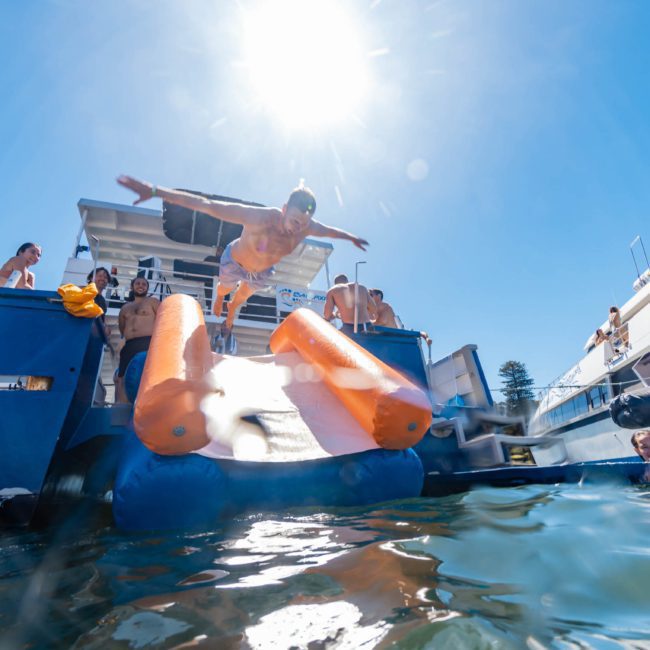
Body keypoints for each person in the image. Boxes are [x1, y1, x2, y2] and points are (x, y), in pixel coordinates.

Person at [117, 175, 368, 331]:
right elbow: (209, 205)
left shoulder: (308, 227)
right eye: (293, 220)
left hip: (261, 272)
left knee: (240, 299)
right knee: (225, 290)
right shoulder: (259, 217)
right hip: (234, 261)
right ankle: (219, 297)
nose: (297, 227)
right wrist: (154, 192)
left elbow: (330, 231)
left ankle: (231, 309)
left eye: (303, 223)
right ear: (283, 209)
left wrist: (351, 237)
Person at [115, 277, 159, 402]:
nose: (141, 286)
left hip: (147, 342)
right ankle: (121, 413)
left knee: (148, 375)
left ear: (147, 288)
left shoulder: (153, 302)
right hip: (129, 345)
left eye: (144, 284)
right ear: (132, 287)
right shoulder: (125, 307)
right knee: (122, 378)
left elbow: (164, 319)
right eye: (138, 283)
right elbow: (122, 327)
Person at [86, 267, 112, 332]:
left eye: (105, 277)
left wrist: (106, 328)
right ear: (91, 278)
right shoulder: (83, 291)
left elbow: (101, 319)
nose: (103, 279)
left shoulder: (103, 301)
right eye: (100, 276)